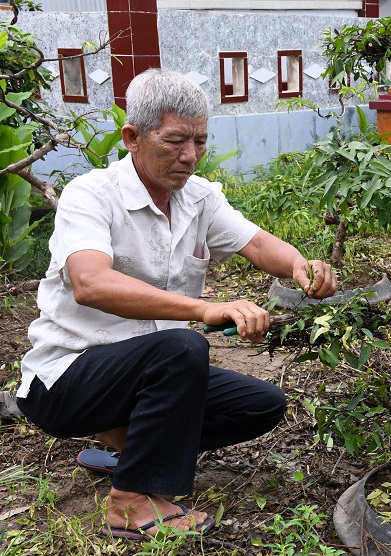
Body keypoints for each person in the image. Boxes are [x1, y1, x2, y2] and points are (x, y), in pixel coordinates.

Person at [16, 68, 336, 539]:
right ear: (132, 137)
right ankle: (130, 502)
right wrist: (203, 309)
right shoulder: (90, 196)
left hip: (144, 376)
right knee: (181, 348)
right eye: (175, 141)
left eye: (200, 142)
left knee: (261, 404)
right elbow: (90, 283)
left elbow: (258, 243)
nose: (189, 156)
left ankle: (131, 454)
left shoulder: (199, 199)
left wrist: (299, 266)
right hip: (67, 380)